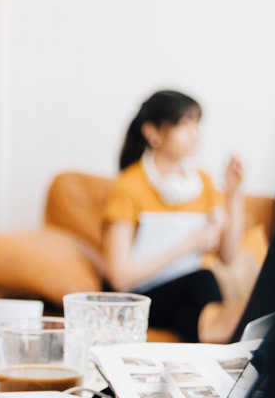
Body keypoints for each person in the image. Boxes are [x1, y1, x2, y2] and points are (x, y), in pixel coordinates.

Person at [101, 90, 248, 344]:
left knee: (191, 316)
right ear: (153, 132)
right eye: (183, 125)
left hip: (183, 298)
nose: (195, 134)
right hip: (139, 298)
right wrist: (188, 245)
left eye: (197, 124)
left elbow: (227, 256)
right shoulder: (128, 186)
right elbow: (119, 278)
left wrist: (233, 195)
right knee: (204, 280)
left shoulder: (203, 182)